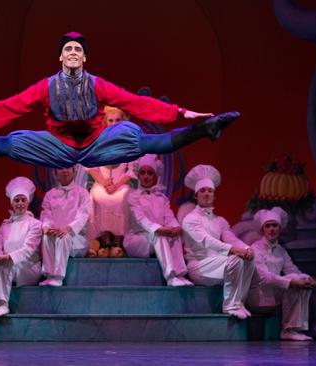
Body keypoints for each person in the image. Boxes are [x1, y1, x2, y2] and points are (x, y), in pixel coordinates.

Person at [0, 32, 240, 169]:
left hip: (96, 143)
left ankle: (206, 131)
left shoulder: (98, 85)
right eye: (68, 49)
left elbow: (136, 103)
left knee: (147, 141)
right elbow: (9, 107)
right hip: (59, 146)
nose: (74, 53)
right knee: (2, 145)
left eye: (78, 49)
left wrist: (183, 113)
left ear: (85, 59)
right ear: (60, 58)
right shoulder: (45, 87)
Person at [181, 165, 255, 319]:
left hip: (218, 263)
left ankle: (239, 301)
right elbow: (207, 241)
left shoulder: (219, 220)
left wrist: (247, 249)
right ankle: (230, 305)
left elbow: (231, 238)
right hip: (199, 266)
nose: (207, 194)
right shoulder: (190, 219)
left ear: (214, 195)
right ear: (196, 195)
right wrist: (235, 250)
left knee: (248, 259)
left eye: (210, 191)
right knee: (235, 259)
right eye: (203, 191)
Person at [246, 207, 316, 341]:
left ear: (280, 229)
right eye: (268, 226)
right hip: (257, 296)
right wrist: (291, 282)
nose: (272, 229)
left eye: (275, 225)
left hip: (274, 294)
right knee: (294, 280)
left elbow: (293, 270)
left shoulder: (281, 251)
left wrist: (308, 279)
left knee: (301, 278)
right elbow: (265, 277)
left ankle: (293, 329)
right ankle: (288, 329)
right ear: (263, 229)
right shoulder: (255, 249)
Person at [123, 154, 193, 286]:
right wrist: (160, 229)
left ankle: (180, 274)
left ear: (155, 176)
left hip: (155, 237)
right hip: (137, 240)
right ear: (138, 175)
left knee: (175, 235)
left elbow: (169, 217)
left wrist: (175, 227)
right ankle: (170, 277)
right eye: (143, 173)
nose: (146, 176)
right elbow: (140, 220)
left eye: (149, 173)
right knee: (158, 235)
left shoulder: (162, 198)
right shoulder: (133, 197)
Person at [0, 177, 42, 317]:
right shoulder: (6, 225)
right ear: (12, 203)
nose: (20, 203)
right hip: (10, 266)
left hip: (28, 268)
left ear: (28, 201)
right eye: (17, 200)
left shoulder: (35, 224)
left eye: (23, 200)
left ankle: (3, 304)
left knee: (4, 263)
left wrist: (7, 258)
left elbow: (28, 250)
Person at [87, 107, 135, 256]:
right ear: (105, 122)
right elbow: (91, 167)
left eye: (118, 120)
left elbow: (131, 170)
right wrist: (104, 182)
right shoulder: (98, 142)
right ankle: (103, 238)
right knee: (97, 195)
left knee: (122, 197)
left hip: (121, 184)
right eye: (111, 120)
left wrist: (117, 185)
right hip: (102, 184)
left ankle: (119, 239)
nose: (114, 123)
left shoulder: (129, 142)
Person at [39, 166, 91, 286]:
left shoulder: (82, 193)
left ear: (74, 171)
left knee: (64, 236)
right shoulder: (50, 194)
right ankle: (48, 274)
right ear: (55, 172)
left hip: (76, 238)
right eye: (60, 168)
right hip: (56, 235)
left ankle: (58, 277)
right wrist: (47, 227)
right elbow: (46, 214)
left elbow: (83, 215)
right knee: (47, 237)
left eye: (68, 167)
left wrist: (68, 229)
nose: (64, 171)